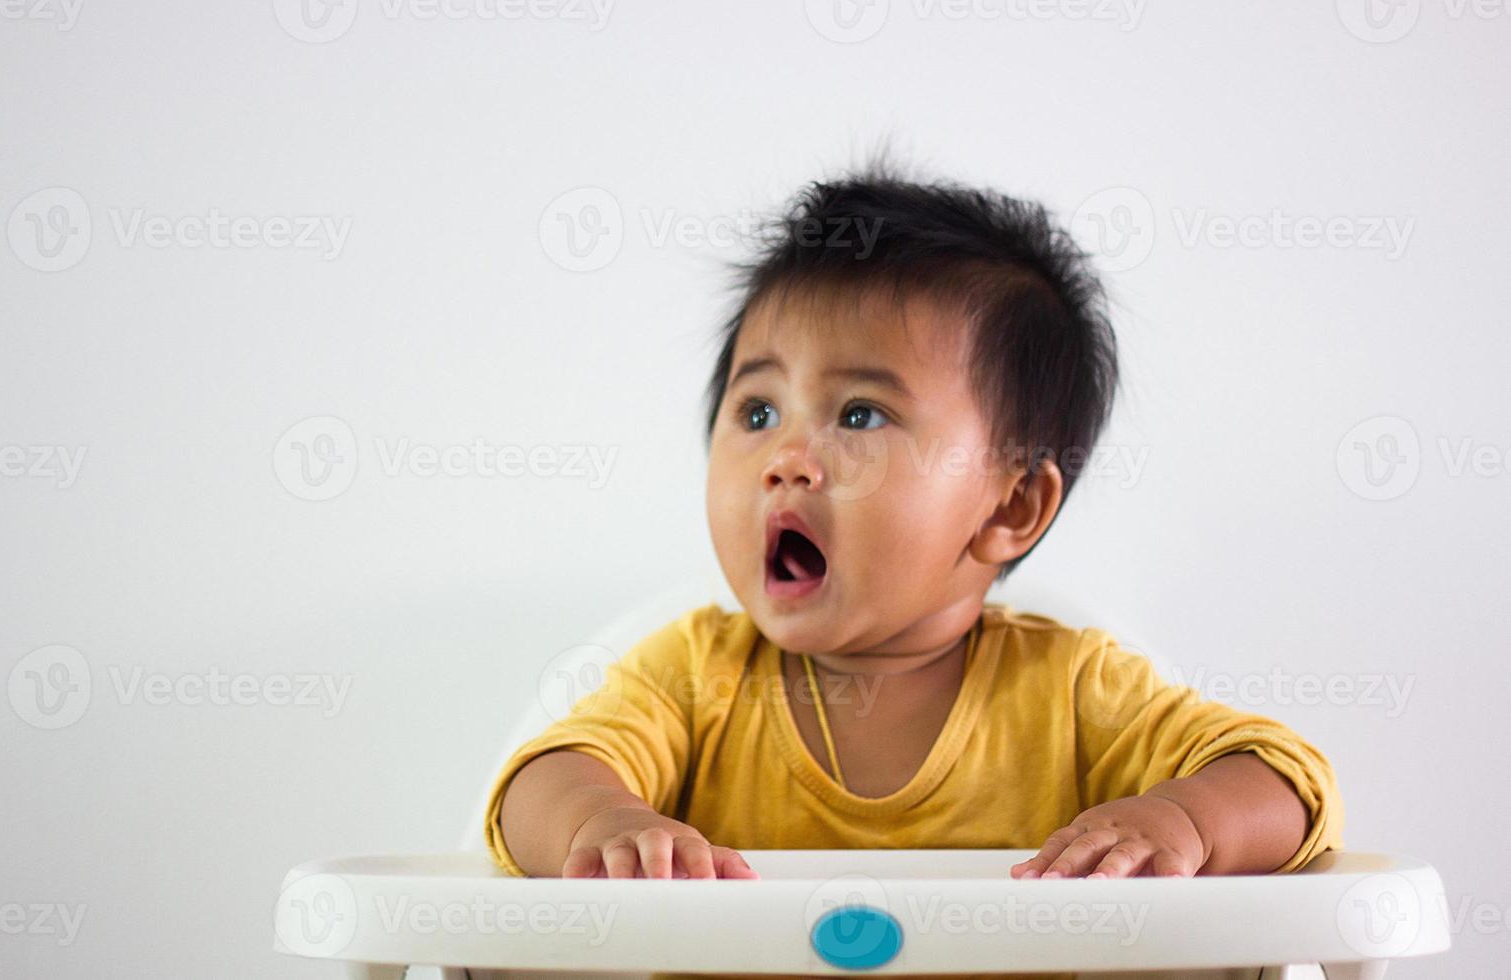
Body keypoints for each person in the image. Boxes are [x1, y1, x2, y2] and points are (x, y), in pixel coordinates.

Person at [481, 159, 1343, 980]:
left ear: (1010, 508)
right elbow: (540, 779)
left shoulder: (1074, 692)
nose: (787, 456)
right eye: (757, 408)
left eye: (860, 413)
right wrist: (604, 820)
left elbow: (1281, 781)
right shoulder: (694, 677)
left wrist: (1180, 820)